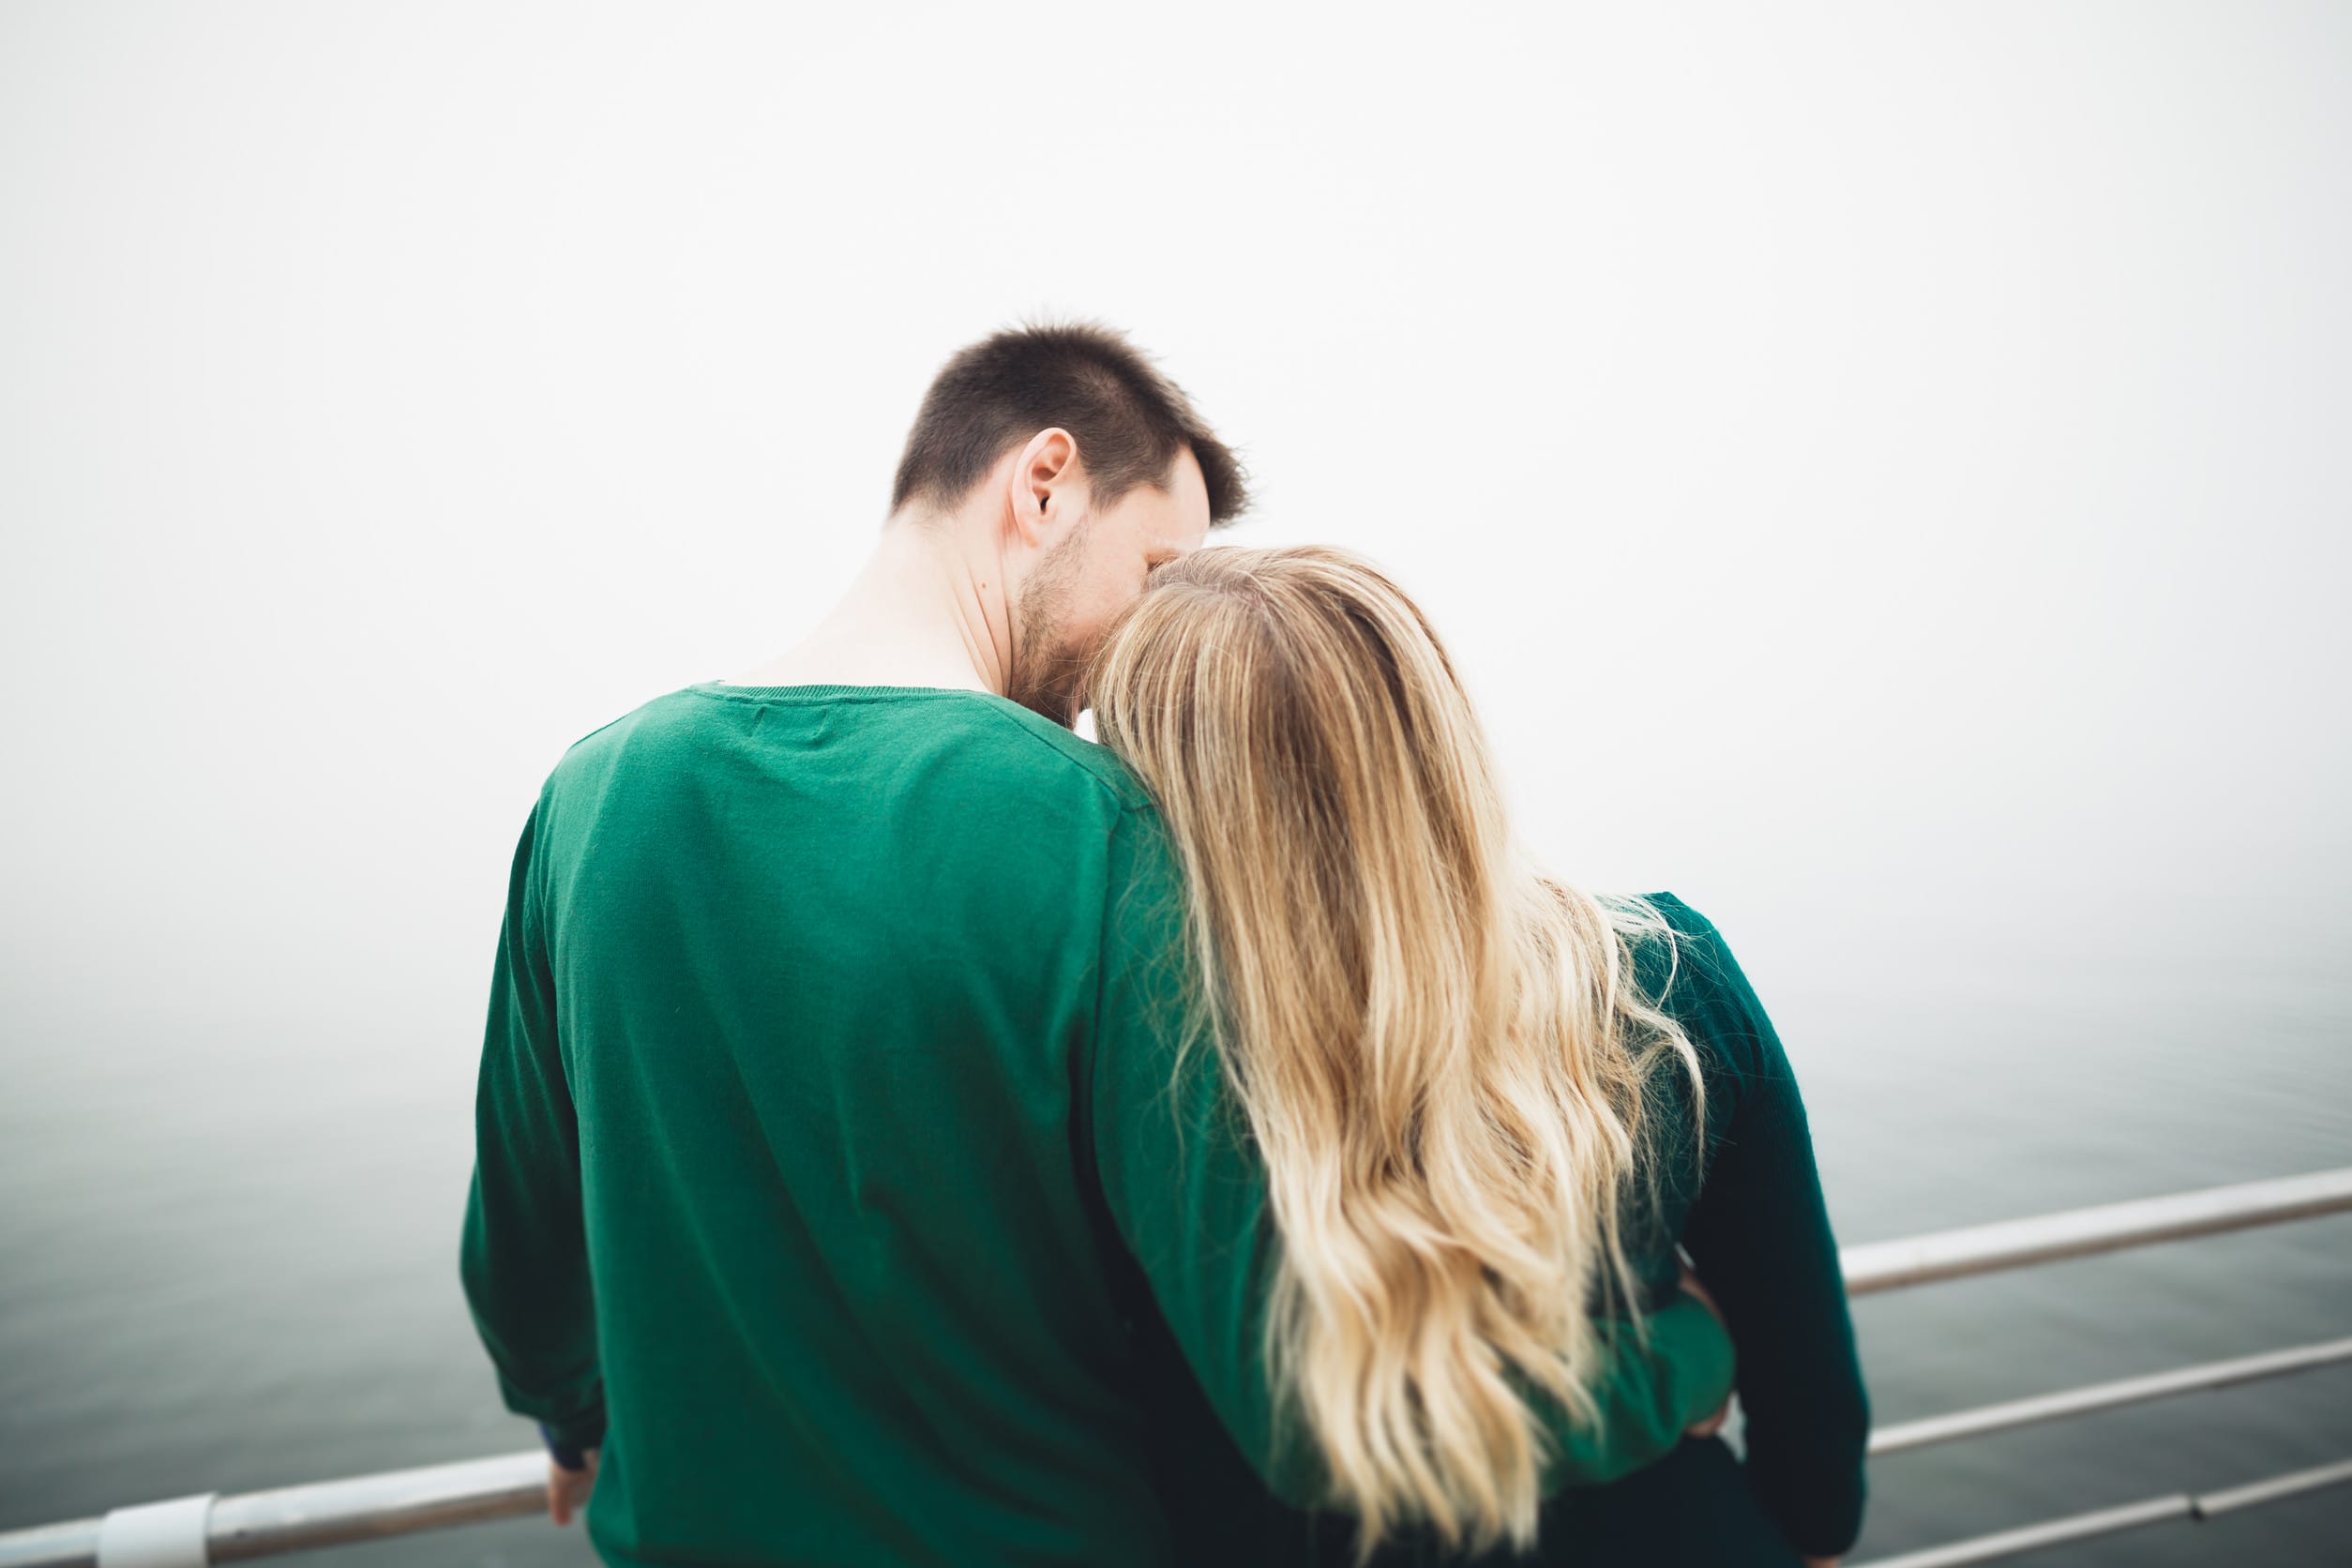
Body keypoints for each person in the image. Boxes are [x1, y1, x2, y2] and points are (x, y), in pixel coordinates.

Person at [458, 324, 1738, 1567]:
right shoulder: (1100, 828)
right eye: (1158, 571)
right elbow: (1304, 1413)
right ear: (1045, 483)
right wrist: (1680, 1361)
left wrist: (573, 1419)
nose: (1158, 635)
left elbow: (524, 1271)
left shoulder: (596, 798)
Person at [1080, 543, 1872, 1566]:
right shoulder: (1669, 978)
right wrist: (1706, 1378)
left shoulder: (1162, 1059)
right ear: (1438, 730)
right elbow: (1811, 1402)